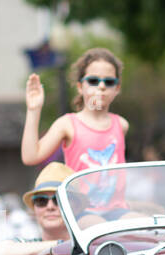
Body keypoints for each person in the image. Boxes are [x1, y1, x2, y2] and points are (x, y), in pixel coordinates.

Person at [22, 47, 130, 218]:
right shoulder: (68, 124)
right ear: (80, 86)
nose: (101, 86)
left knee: (143, 227)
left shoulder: (121, 125)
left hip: (117, 210)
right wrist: (33, 110)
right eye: (93, 80)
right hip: (82, 212)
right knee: (96, 230)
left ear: (117, 88)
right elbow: (30, 156)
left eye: (109, 82)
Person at [0, 164, 74, 255]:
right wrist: (59, 244)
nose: (50, 206)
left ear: (75, 206)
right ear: (34, 208)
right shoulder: (25, 245)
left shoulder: (89, 246)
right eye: (41, 201)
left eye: (58, 200)